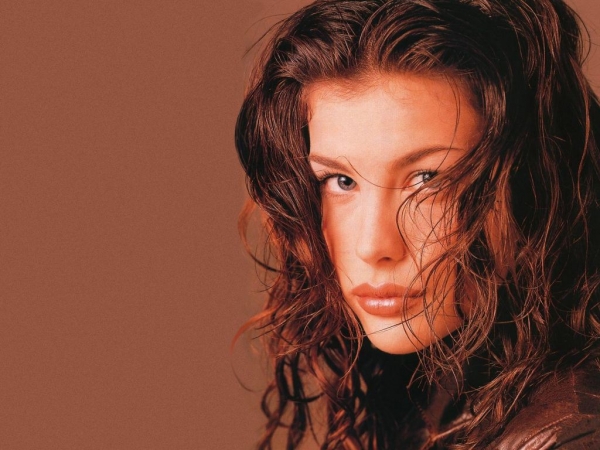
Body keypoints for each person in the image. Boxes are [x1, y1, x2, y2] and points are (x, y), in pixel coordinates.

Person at [234, 0, 600, 448]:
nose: (373, 246)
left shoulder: (574, 433)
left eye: (428, 179)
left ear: (533, 185)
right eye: (341, 181)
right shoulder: (440, 391)